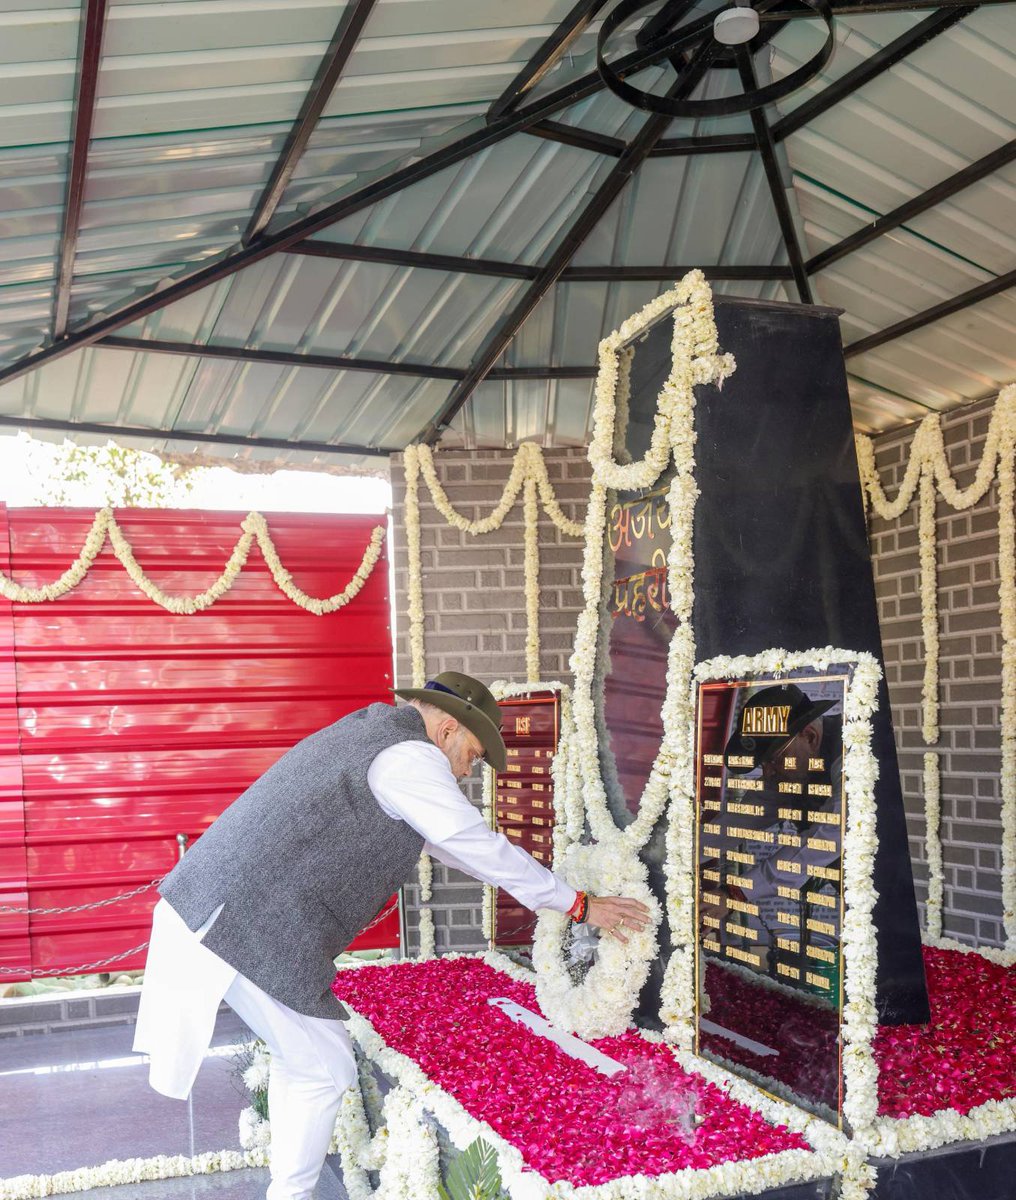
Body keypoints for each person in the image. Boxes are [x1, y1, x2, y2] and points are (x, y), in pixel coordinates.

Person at [133, 671, 649, 1200]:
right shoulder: (409, 758)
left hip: (233, 914)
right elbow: (471, 842)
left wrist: (547, 890)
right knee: (322, 1069)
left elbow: (449, 842)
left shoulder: (380, 732)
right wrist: (578, 904)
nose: (470, 770)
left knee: (311, 1064)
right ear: (448, 729)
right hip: (241, 923)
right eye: (472, 753)